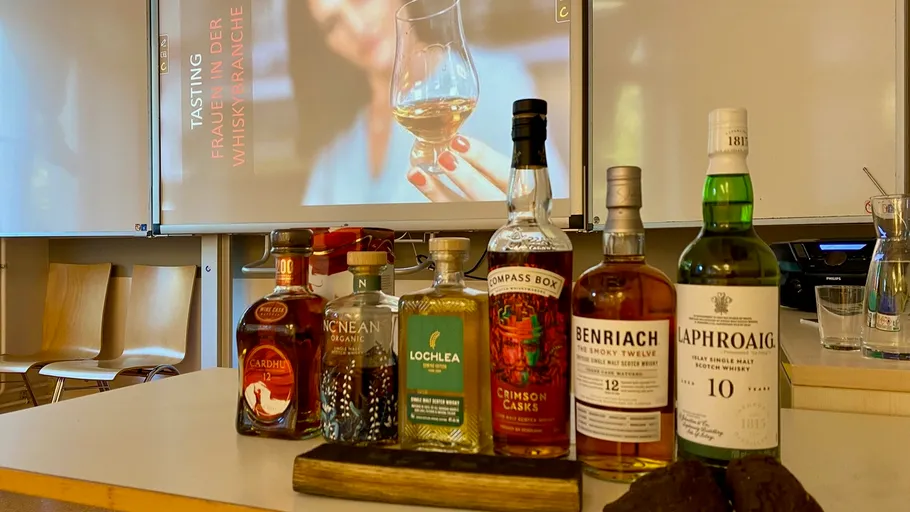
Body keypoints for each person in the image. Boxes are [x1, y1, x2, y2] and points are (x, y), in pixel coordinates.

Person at [289, 0, 569, 206]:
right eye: (332, 23)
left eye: (359, 1)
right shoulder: (336, 142)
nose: (357, 28)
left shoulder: (494, 83)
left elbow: (552, 205)